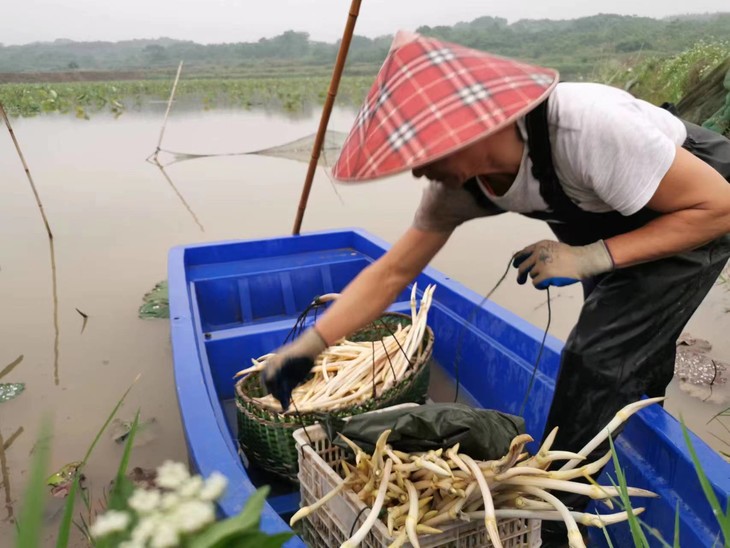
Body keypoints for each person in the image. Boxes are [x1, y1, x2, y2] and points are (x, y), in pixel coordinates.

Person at [262, 31, 730, 545]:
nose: (418, 170)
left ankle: (555, 524)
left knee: (596, 358)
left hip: (697, 202)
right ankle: (648, 411)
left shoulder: (587, 129)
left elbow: (718, 207)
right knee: (625, 334)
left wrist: (588, 257)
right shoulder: (457, 187)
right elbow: (392, 272)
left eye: (423, 151)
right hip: (614, 212)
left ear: (472, 127)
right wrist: (309, 346)